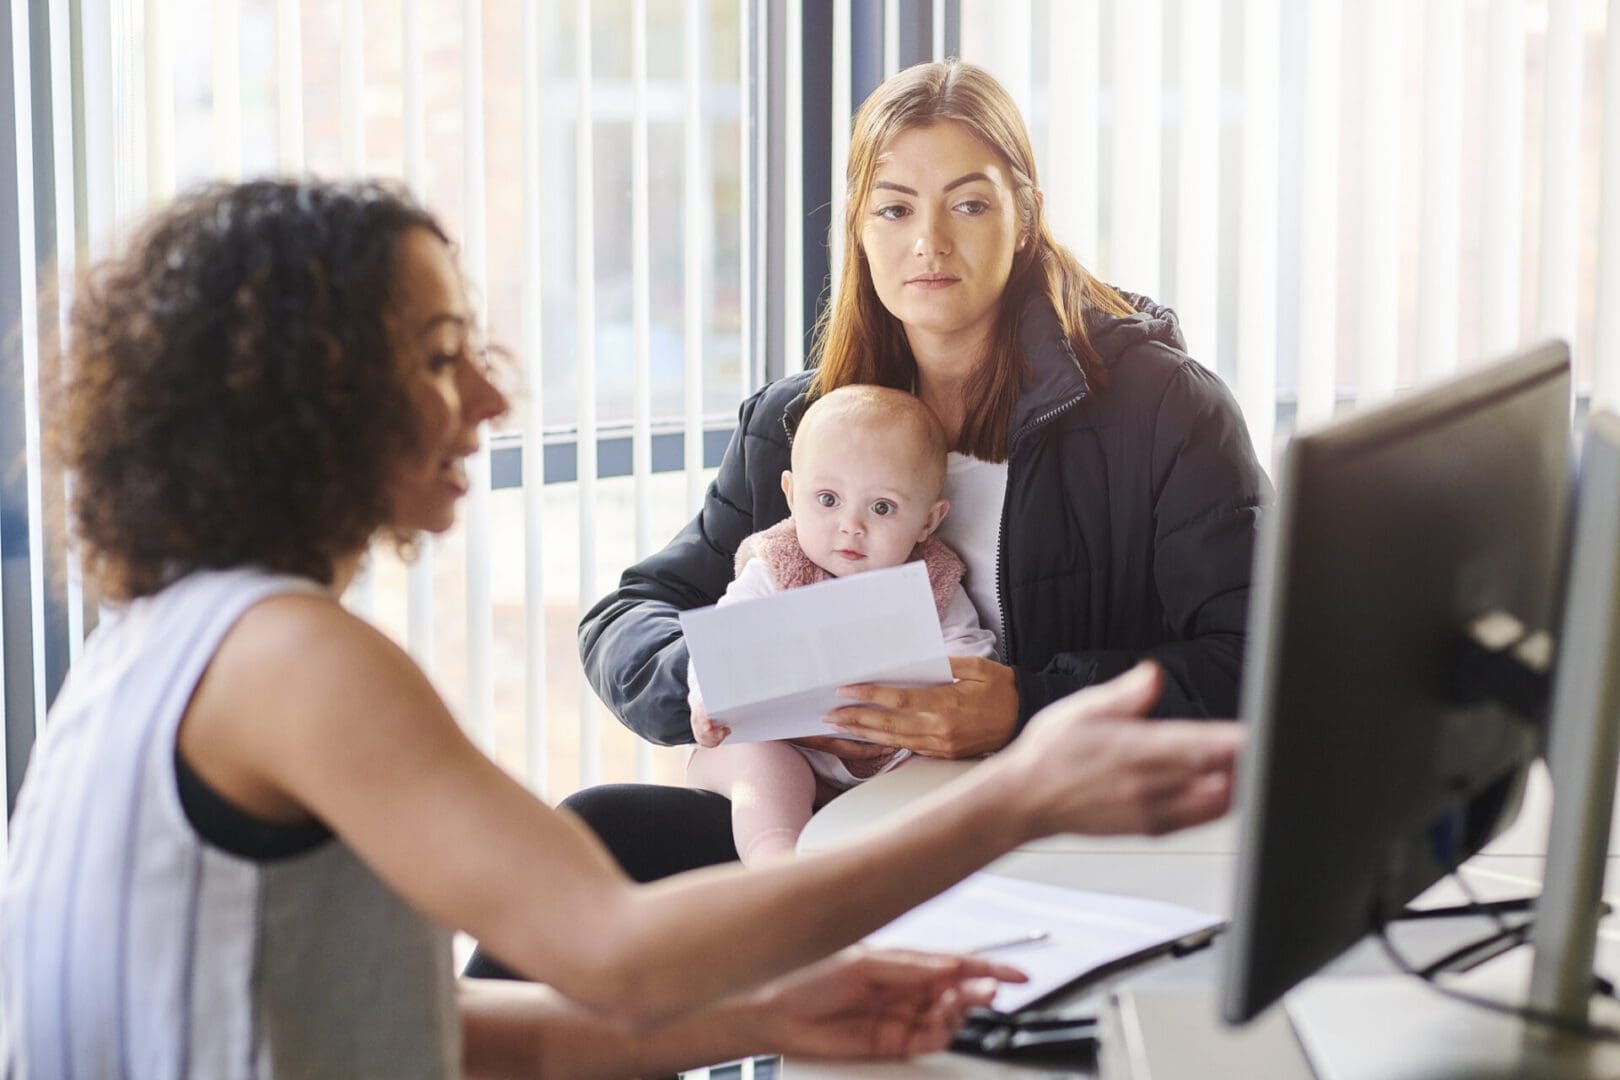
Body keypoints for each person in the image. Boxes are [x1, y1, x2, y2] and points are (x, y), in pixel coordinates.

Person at [0, 178, 1244, 1078]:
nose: (494, 394)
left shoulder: (165, 643)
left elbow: (424, 1038)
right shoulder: (290, 661)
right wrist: (1022, 796)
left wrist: (769, 1019)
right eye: (442, 358)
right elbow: (622, 955)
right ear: (303, 406)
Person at [567, 58, 1271, 882]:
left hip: (1047, 835)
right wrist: (712, 674)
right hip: (827, 827)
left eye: (968, 205)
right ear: (860, 229)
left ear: (1023, 218)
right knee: (592, 836)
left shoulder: (1163, 412)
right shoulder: (803, 426)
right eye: (894, 209)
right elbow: (627, 618)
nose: (928, 243)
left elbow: (1256, 660)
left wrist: (1025, 704)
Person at [686, 384, 996, 864]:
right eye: (828, 499)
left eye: (882, 507)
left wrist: (957, 693)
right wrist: (708, 703)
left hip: (895, 752)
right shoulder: (775, 564)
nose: (851, 525)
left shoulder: (931, 580)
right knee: (761, 765)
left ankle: (900, 866)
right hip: (789, 744)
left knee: (946, 773)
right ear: (791, 495)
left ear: (928, 522)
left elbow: (970, 655)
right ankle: (777, 861)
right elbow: (721, 645)